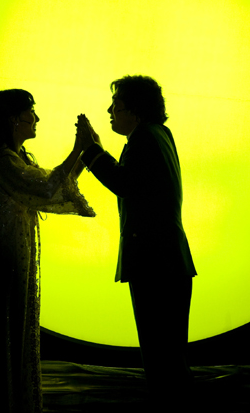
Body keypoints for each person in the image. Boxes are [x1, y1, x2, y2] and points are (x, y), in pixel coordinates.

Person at [0, 89, 95, 413]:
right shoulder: (3, 160)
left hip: (16, 248)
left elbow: (53, 186)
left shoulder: (17, 158)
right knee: (5, 324)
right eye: (31, 112)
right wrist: (78, 148)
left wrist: (84, 153)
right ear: (14, 119)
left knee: (15, 322)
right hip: (5, 251)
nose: (36, 118)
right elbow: (46, 188)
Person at [76, 75, 196, 407]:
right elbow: (140, 184)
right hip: (170, 261)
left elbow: (125, 183)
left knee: (160, 359)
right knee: (171, 356)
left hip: (153, 263)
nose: (109, 111)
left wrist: (90, 150)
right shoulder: (160, 134)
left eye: (116, 105)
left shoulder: (143, 138)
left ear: (135, 110)